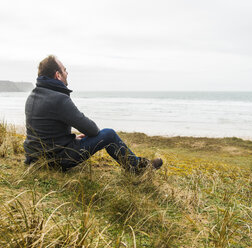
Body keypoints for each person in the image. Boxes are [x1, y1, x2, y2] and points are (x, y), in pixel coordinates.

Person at [23, 55, 163, 173]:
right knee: (108, 134)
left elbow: (44, 131)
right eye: (65, 70)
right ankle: (137, 168)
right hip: (56, 160)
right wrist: (73, 140)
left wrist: (71, 140)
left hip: (35, 158)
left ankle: (136, 165)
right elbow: (92, 130)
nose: (67, 73)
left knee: (100, 135)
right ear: (57, 75)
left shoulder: (33, 96)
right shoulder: (59, 99)